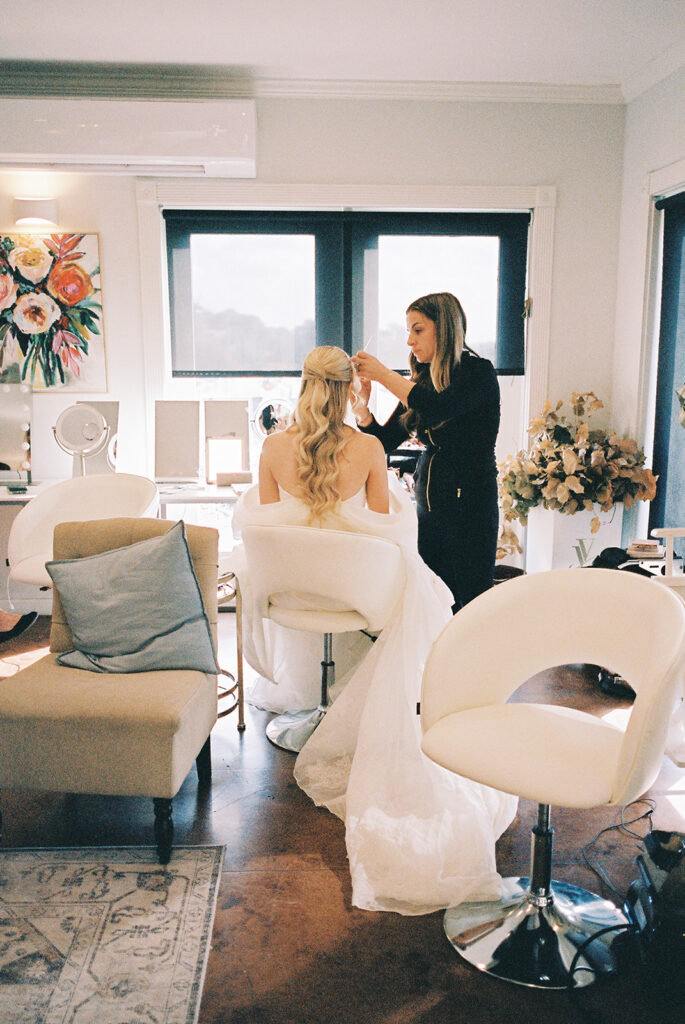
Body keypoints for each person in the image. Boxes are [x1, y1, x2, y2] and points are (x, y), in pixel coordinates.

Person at [231, 344, 518, 915]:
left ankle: (319, 696)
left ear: (304, 385)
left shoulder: (271, 447)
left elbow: (266, 524)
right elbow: (388, 532)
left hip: (289, 593)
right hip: (350, 596)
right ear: (347, 389)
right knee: (419, 587)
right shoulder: (367, 449)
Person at [352, 291, 500, 612]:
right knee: (433, 601)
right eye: (408, 331)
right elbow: (384, 442)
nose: (410, 341)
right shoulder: (423, 382)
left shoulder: (478, 373)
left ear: (444, 328)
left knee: (471, 603)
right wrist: (362, 410)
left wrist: (384, 375)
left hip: (470, 509)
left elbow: (438, 408)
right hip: (430, 508)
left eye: (418, 330)